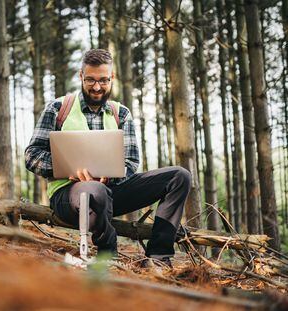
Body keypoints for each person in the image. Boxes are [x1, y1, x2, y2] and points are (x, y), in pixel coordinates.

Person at [25, 49, 191, 267]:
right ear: (81, 76)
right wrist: (71, 170)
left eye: (103, 80)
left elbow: (131, 162)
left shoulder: (121, 114)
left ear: (112, 78)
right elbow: (32, 155)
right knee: (95, 190)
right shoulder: (58, 109)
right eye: (91, 80)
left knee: (179, 176)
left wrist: (111, 176)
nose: (96, 87)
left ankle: (158, 257)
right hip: (69, 197)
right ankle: (108, 253)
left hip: (111, 191)